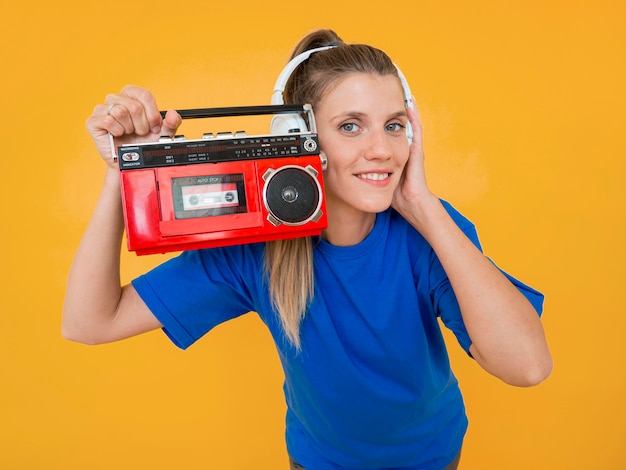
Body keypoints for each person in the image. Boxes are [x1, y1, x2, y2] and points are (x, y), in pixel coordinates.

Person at [63, 29, 552, 470]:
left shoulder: (431, 231)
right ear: (296, 138)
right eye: (350, 126)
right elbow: (90, 322)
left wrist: (424, 206)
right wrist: (121, 172)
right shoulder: (256, 249)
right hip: (320, 461)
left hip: (432, 455)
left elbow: (527, 365)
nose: (381, 149)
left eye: (395, 125)